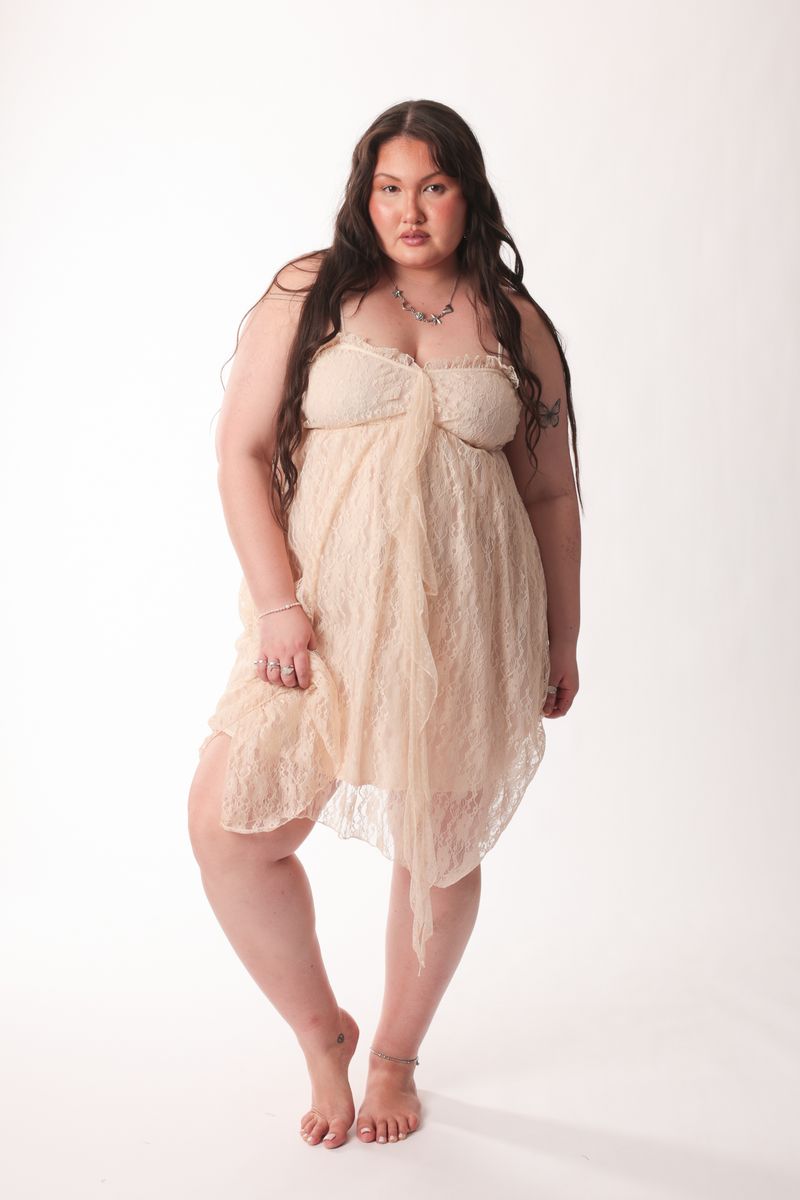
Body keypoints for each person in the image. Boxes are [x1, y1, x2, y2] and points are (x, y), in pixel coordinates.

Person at [187, 98, 582, 1151]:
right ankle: (323, 1030)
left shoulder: (514, 321)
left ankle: (397, 1055)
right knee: (227, 829)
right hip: (319, 621)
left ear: (467, 194)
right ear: (365, 196)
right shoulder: (311, 290)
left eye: (434, 187)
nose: (410, 211)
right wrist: (278, 604)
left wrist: (562, 639)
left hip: (471, 622)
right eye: (390, 187)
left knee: (440, 845)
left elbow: (550, 492)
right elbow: (238, 455)